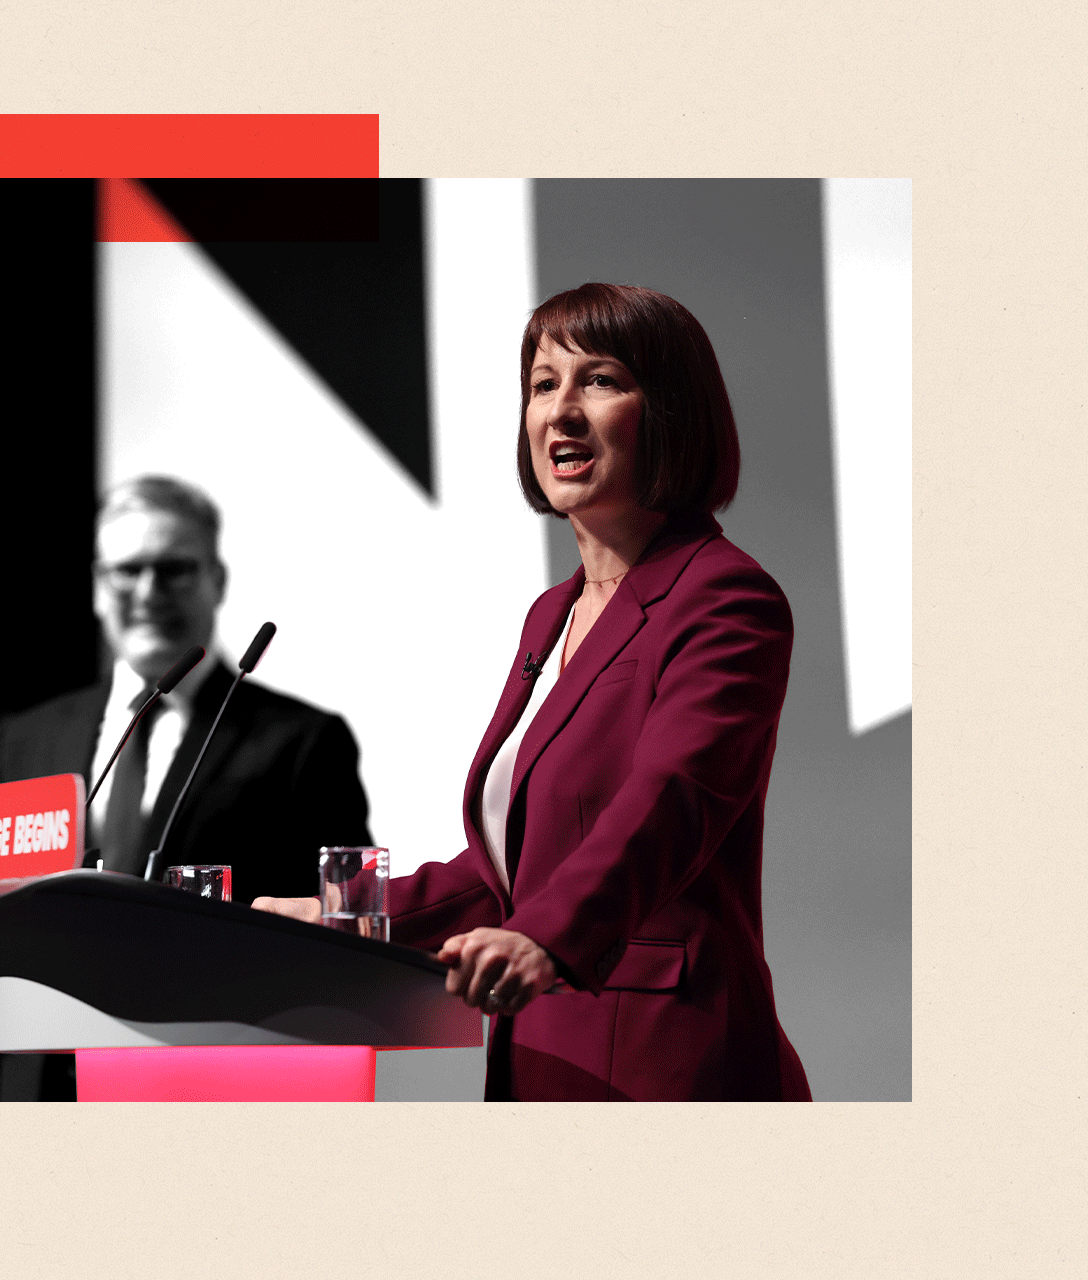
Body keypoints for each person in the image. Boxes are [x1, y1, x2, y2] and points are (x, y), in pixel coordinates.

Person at [256, 283, 811, 1102]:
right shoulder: (552, 615)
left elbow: (672, 800)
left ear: (672, 412)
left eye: (601, 381)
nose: (561, 412)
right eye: (544, 384)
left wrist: (545, 939)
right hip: (545, 1053)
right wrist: (339, 919)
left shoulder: (725, 596)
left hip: (666, 1062)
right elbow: (504, 874)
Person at [0, 474, 374, 1100]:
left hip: (206, 1083)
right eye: (127, 570)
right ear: (95, 585)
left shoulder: (300, 742)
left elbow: (341, 938)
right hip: (39, 1089)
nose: (148, 591)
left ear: (217, 581)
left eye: (174, 570)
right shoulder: (20, 742)